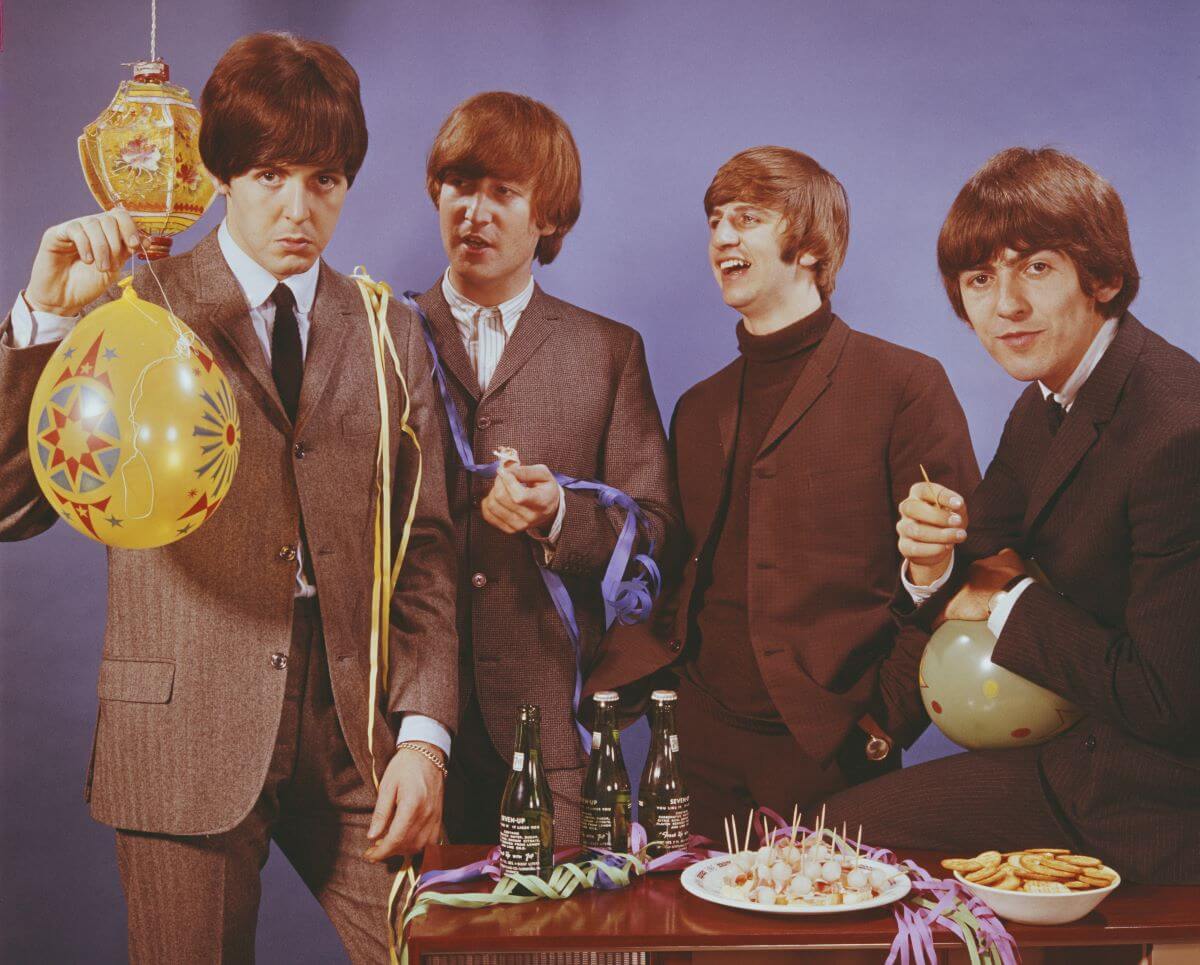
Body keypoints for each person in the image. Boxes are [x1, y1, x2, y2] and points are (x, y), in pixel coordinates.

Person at [0, 33, 458, 961]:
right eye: (270, 176)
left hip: (358, 733)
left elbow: (428, 547)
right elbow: (11, 506)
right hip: (182, 729)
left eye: (324, 181)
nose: (298, 209)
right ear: (219, 176)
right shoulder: (134, 302)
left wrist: (425, 736)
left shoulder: (388, 329)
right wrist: (46, 315)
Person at [822, 147, 1200, 884]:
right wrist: (931, 566)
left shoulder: (1177, 432)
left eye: (1035, 267)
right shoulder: (1049, 397)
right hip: (1070, 751)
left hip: (1149, 799)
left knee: (844, 844)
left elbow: (1167, 701)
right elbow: (980, 556)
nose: (1006, 306)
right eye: (980, 278)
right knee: (833, 831)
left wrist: (1003, 594)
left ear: (1104, 277)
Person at [595, 146, 978, 841]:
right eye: (715, 220)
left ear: (809, 244)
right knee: (681, 949)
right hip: (692, 749)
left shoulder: (904, 386)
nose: (722, 237)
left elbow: (958, 579)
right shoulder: (697, 406)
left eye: (747, 217)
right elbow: (677, 565)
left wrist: (881, 727)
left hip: (827, 754)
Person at [410, 91, 679, 846]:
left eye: (505, 192)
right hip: (401, 741)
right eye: (461, 186)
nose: (476, 211)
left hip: (554, 733)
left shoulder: (607, 352)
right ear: (437, 191)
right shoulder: (378, 333)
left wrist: (559, 516)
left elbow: (655, 531)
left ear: (549, 216)